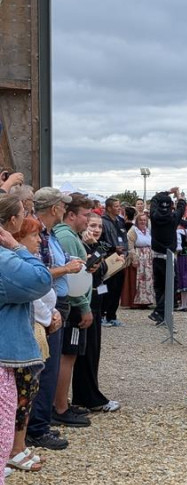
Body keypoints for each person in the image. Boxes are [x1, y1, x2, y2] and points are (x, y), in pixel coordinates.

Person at [0, 197, 52, 485]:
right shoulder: (5, 259)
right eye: (26, 213)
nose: (30, 218)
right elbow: (40, 280)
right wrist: (18, 247)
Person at [26, 188, 83, 451]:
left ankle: (40, 423)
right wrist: (67, 268)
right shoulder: (39, 233)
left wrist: (72, 262)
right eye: (62, 205)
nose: (65, 208)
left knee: (50, 366)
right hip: (46, 305)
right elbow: (38, 273)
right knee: (46, 368)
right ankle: (37, 427)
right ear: (53, 208)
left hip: (54, 302)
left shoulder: (50, 234)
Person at [52, 194, 94, 428]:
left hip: (72, 301)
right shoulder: (67, 237)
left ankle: (61, 402)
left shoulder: (69, 236)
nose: (88, 220)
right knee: (67, 356)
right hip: (73, 304)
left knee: (68, 355)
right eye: (86, 215)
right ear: (71, 215)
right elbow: (72, 278)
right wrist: (84, 307)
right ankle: (60, 407)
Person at [71, 212, 120, 413]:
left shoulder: (94, 245)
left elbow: (103, 260)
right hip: (86, 302)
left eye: (99, 226)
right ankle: (89, 397)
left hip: (97, 300)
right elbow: (93, 266)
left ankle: (88, 395)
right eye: (92, 225)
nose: (97, 230)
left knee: (93, 351)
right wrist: (95, 248)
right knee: (87, 352)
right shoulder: (83, 247)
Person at [149, 188, 187, 324]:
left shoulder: (153, 215)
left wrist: (166, 192)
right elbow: (182, 207)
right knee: (171, 286)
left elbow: (153, 200)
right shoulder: (173, 217)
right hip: (169, 256)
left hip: (156, 255)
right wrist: (179, 197)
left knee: (159, 286)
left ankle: (162, 315)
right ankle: (159, 311)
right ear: (171, 206)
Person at [101, 197, 128, 326]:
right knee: (105, 288)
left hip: (120, 259)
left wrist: (125, 251)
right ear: (109, 208)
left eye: (119, 206)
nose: (119, 208)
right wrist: (112, 248)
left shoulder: (120, 221)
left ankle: (112, 315)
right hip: (107, 259)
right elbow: (99, 242)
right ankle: (102, 315)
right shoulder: (102, 222)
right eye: (116, 206)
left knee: (117, 288)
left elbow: (124, 238)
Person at [127, 212, 154, 307]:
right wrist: (134, 259)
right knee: (140, 279)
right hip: (138, 255)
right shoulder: (133, 231)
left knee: (148, 278)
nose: (143, 222)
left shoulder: (148, 230)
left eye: (144, 220)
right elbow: (130, 247)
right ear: (137, 221)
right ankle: (138, 300)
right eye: (141, 220)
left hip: (148, 257)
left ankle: (147, 300)